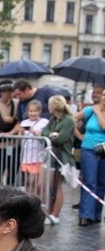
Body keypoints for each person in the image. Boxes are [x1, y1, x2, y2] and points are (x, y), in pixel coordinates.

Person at [44, 95, 75, 225]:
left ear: (54, 106)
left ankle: (55, 214)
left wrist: (53, 136)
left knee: (58, 186)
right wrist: (51, 135)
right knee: (51, 185)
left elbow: (62, 138)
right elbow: (45, 132)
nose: (48, 107)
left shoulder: (68, 120)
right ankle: (49, 212)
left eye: (49, 105)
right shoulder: (53, 119)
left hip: (63, 158)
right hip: (52, 157)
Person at [76, 89, 105, 226]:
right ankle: (86, 214)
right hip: (88, 148)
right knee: (89, 181)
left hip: (104, 149)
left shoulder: (97, 111)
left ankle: (97, 214)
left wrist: (99, 113)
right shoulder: (90, 110)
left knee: (101, 182)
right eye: (104, 94)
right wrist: (79, 135)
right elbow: (72, 118)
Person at [19, 100, 49, 202]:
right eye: (31, 111)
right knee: (27, 181)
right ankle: (27, 200)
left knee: (34, 181)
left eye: (35, 111)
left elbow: (44, 137)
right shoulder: (24, 122)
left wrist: (34, 131)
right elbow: (19, 137)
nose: (33, 113)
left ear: (39, 111)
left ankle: (34, 200)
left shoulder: (44, 122)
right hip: (26, 156)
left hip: (37, 156)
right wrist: (21, 132)